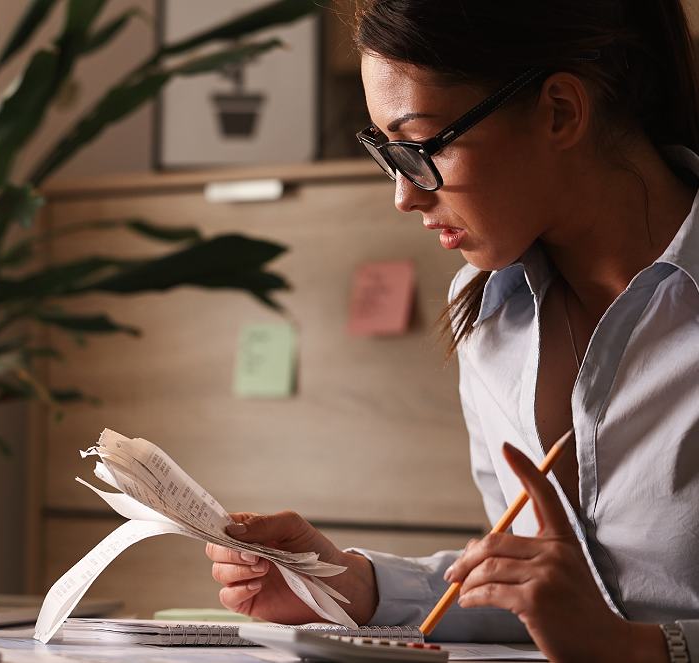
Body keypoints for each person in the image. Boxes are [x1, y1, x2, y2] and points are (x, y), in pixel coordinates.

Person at [205, 1, 699, 661]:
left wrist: (638, 649)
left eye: (419, 146)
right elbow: (535, 592)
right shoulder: (485, 307)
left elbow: (604, 630)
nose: (404, 195)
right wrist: (352, 586)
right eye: (386, 151)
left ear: (560, 112)